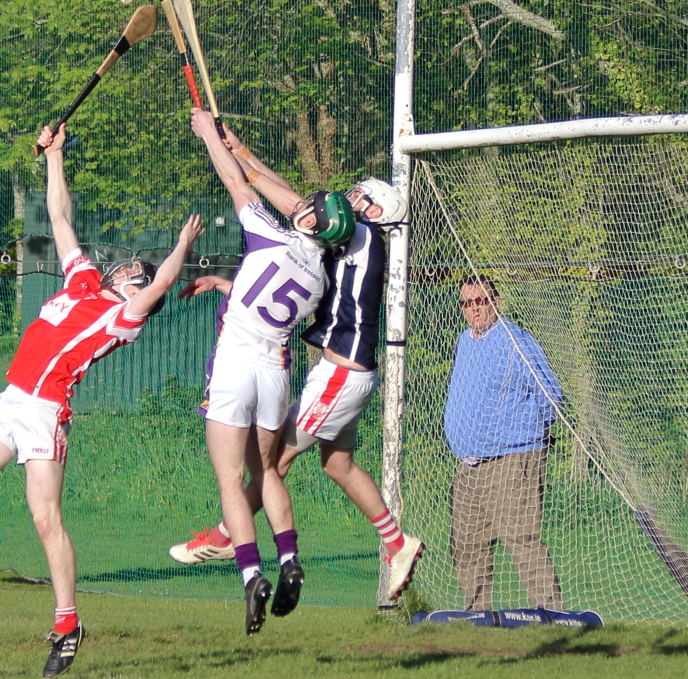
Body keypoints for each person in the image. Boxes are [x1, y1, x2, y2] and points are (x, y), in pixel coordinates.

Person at [0, 121, 204, 679]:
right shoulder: (81, 283)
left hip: (45, 412)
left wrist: (180, 249)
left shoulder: (122, 317)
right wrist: (54, 155)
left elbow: (159, 286)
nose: (125, 268)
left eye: (133, 272)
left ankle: (68, 624)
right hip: (10, 399)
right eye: (126, 267)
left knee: (45, 519)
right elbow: (60, 218)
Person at [170, 147, 426, 604]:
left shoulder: (362, 231)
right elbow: (299, 208)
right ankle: (396, 543)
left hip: (338, 376)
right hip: (350, 374)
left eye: (359, 195)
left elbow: (294, 206)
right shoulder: (351, 240)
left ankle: (226, 536)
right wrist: (240, 153)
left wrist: (238, 155)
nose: (349, 196)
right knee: (338, 465)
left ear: (373, 211)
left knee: (272, 465)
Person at [188, 107, 352, 635]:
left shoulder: (269, 233)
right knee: (269, 472)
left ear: (308, 222)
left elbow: (234, 183)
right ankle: (289, 559)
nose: (300, 204)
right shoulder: (320, 283)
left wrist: (209, 138)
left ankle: (251, 573)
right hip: (275, 374)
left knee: (229, 480)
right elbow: (265, 291)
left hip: (236, 366)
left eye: (307, 207)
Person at [445, 277, 564, 611]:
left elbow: (551, 394)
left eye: (481, 300)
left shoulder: (515, 340)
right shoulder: (464, 342)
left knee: (521, 539)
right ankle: (477, 617)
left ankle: (552, 615)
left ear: (495, 300)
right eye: (467, 303)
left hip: (512, 458)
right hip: (469, 464)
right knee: (466, 544)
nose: (475, 308)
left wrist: (526, 433)